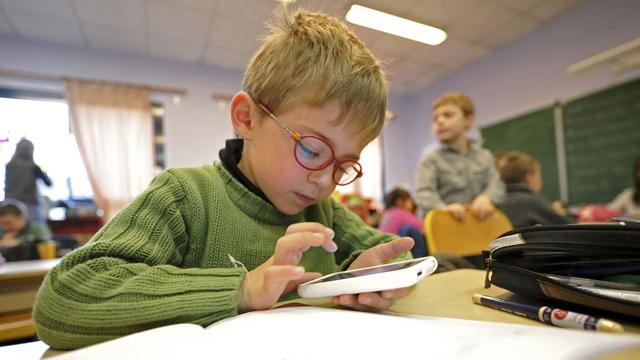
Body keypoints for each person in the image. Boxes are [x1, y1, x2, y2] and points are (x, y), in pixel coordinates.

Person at [33, 9, 415, 350]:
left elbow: (393, 251)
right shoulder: (184, 196)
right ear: (247, 118)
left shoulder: (323, 211)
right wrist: (242, 288)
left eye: (343, 167)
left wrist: (371, 276)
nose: (325, 182)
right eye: (313, 151)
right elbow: (66, 297)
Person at [415, 92, 505, 221]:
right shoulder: (430, 160)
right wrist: (443, 208)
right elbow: (423, 194)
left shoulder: (484, 156)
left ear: (468, 119)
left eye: (447, 115)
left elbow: (496, 184)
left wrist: (487, 197)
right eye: (435, 118)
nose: (440, 121)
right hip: (447, 228)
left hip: (482, 226)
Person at [496, 150, 572, 228]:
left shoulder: (494, 201)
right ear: (530, 178)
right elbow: (569, 227)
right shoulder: (531, 202)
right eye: (538, 175)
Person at [4, 138, 53, 223]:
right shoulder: (33, 167)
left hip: (9, 206)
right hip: (30, 208)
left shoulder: (9, 166)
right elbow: (49, 183)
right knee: (37, 233)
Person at [379, 188, 427, 258]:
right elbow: (422, 225)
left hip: (382, 246)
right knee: (411, 230)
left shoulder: (387, 213)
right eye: (410, 200)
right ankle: (420, 257)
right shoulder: (401, 213)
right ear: (400, 201)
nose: (412, 203)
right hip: (393, 247)